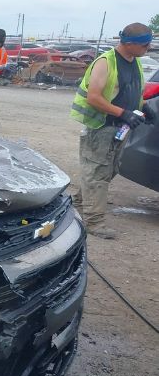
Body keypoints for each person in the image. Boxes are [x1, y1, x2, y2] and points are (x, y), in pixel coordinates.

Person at [70, 22, 154, 239]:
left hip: (120, 127)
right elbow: (94, 97)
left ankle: (79, 202)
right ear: (129, 43)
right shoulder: (106, 62)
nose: (149, 48)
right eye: (145, 45)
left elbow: (130, 92)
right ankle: (94, 222)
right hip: (102, 126)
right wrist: (122, 113)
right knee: (97, 172)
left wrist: (143, 107)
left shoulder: (134, 62)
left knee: (109, 170)